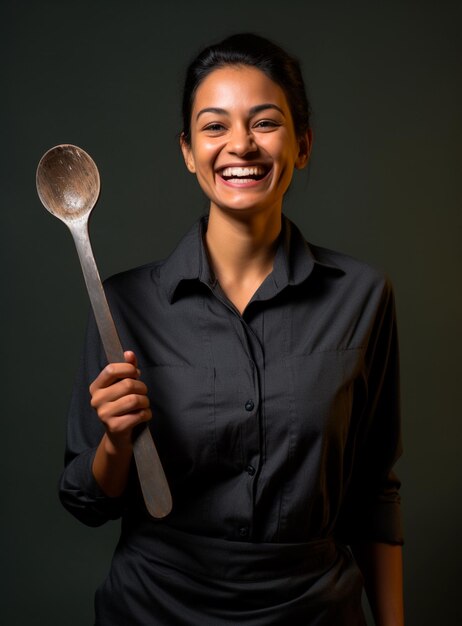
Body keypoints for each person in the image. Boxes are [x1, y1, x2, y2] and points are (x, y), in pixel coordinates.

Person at [59, 33, 404, 625]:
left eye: (265, 122)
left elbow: (374, 492)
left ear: (303, 145)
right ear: (188, 151)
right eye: (214, 126)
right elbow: (85, 500)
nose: (240, 144)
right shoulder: (123, 303)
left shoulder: (362, 296)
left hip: (315, 610)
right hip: (154, 610)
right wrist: (115, 443)